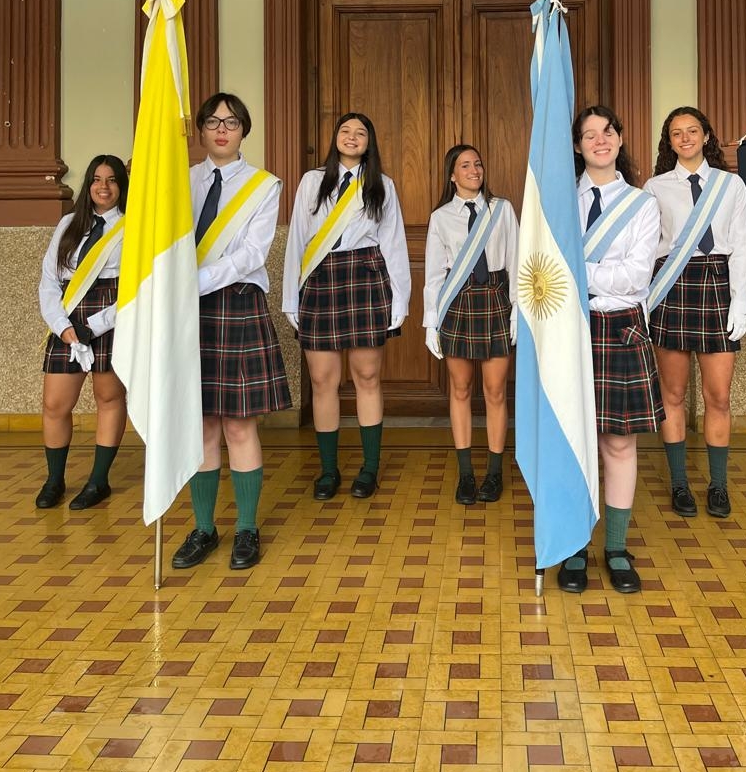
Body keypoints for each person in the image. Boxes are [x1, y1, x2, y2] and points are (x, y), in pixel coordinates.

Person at [171, 93, 291, 572]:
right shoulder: (179, 181)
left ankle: (246, 527)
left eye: (233, 121)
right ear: (200, 129)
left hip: (236, 302)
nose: (223, 129)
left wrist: (194, 281)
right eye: (214, 121)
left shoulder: (264, 186)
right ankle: (204, 528)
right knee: (201, 423)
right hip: (188, 312)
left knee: (240, 424)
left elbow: (252, 254)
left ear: (244, 130)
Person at [557, 106, 663, 595]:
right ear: (577, 146)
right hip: (569, 329)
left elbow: (635, 277)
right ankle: (575, 544)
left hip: (620, 329)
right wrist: (599, 275)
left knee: (619, 444)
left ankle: (616, 547)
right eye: (589, 135)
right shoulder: (559, 203)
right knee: (573, 442)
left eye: (607, 132)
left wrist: (579, 272)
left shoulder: (642, 205)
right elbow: (547, 266)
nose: (600, 140)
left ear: (620, 139)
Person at [283, 112, 410, 500]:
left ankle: (369, 469)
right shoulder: (312, 181)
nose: (352, 137)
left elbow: (394, 243)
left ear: (369, 143)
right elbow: (297, 240)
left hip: (365, 278)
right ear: (335, 138)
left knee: (367, 377)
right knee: (323, 380)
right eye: (345, 131)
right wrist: (291, 297)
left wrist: (400, 299)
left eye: (360, 133)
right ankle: (328, 471)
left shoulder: (382, 185)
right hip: (320, 278)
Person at [643, 106, 746, 519]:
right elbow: (647, 248)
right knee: (672, 394)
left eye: (692, 130)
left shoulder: (731, 185)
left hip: (717, 284)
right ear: (669, 142)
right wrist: (643, 301)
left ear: (706, 135)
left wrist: (739, 302)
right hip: (671, 285)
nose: (685, 138)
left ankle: (718, 485)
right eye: (676, 133)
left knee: (718, 396)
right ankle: (679, 483)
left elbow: (742, 246)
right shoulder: (655, 187)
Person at [423, 145, 519, 505]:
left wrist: (517, 310)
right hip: (457, 304)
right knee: (460, 390)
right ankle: (466, 475)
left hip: (495, 300)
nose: (474, 170)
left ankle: (494, 474)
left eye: (477, 163)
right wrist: (431, 322)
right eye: (465, 165)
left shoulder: (502, 210)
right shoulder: (441, 217)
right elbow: (434, 275)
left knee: (495, 392)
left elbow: (517, 262)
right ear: (452, 175)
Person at [37, 154, 129, 510]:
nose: (103, 187)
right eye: (96, 179)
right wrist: (62, 327)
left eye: (112, 180)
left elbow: (137, 288)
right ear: (88, 184)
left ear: (122, 186)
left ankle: (98, 481)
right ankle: (54, 480)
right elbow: (49, 281)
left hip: (110, 315)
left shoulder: (133, 227)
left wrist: (95, 326)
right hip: (68, 315)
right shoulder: (69, 223)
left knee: (109, 398)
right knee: (54, 404)